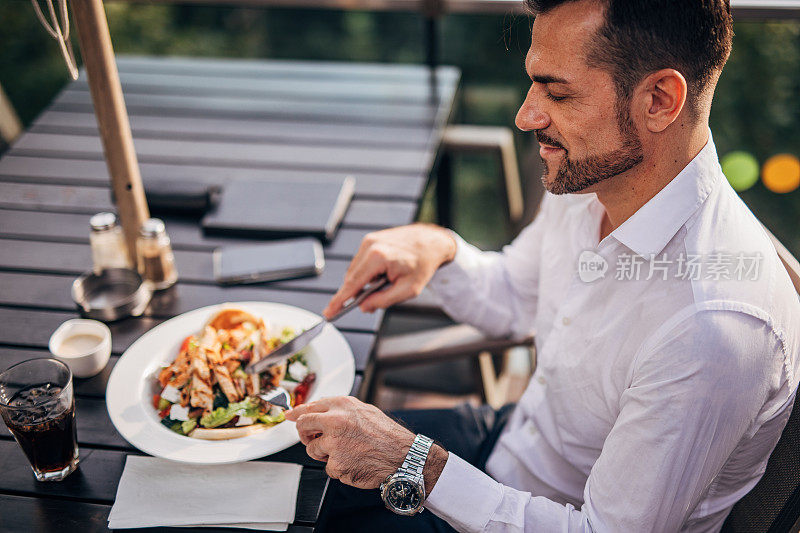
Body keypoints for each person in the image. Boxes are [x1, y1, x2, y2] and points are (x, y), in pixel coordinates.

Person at [285, 0, 800, 531]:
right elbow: (514, 296)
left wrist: (411, 462)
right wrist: (440, 248)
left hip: (545, 514)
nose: (526, 116)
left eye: (557, 92)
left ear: (660, 99)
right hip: (514, 440)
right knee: (286, 458)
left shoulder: (712, 330)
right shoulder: (592, 179)